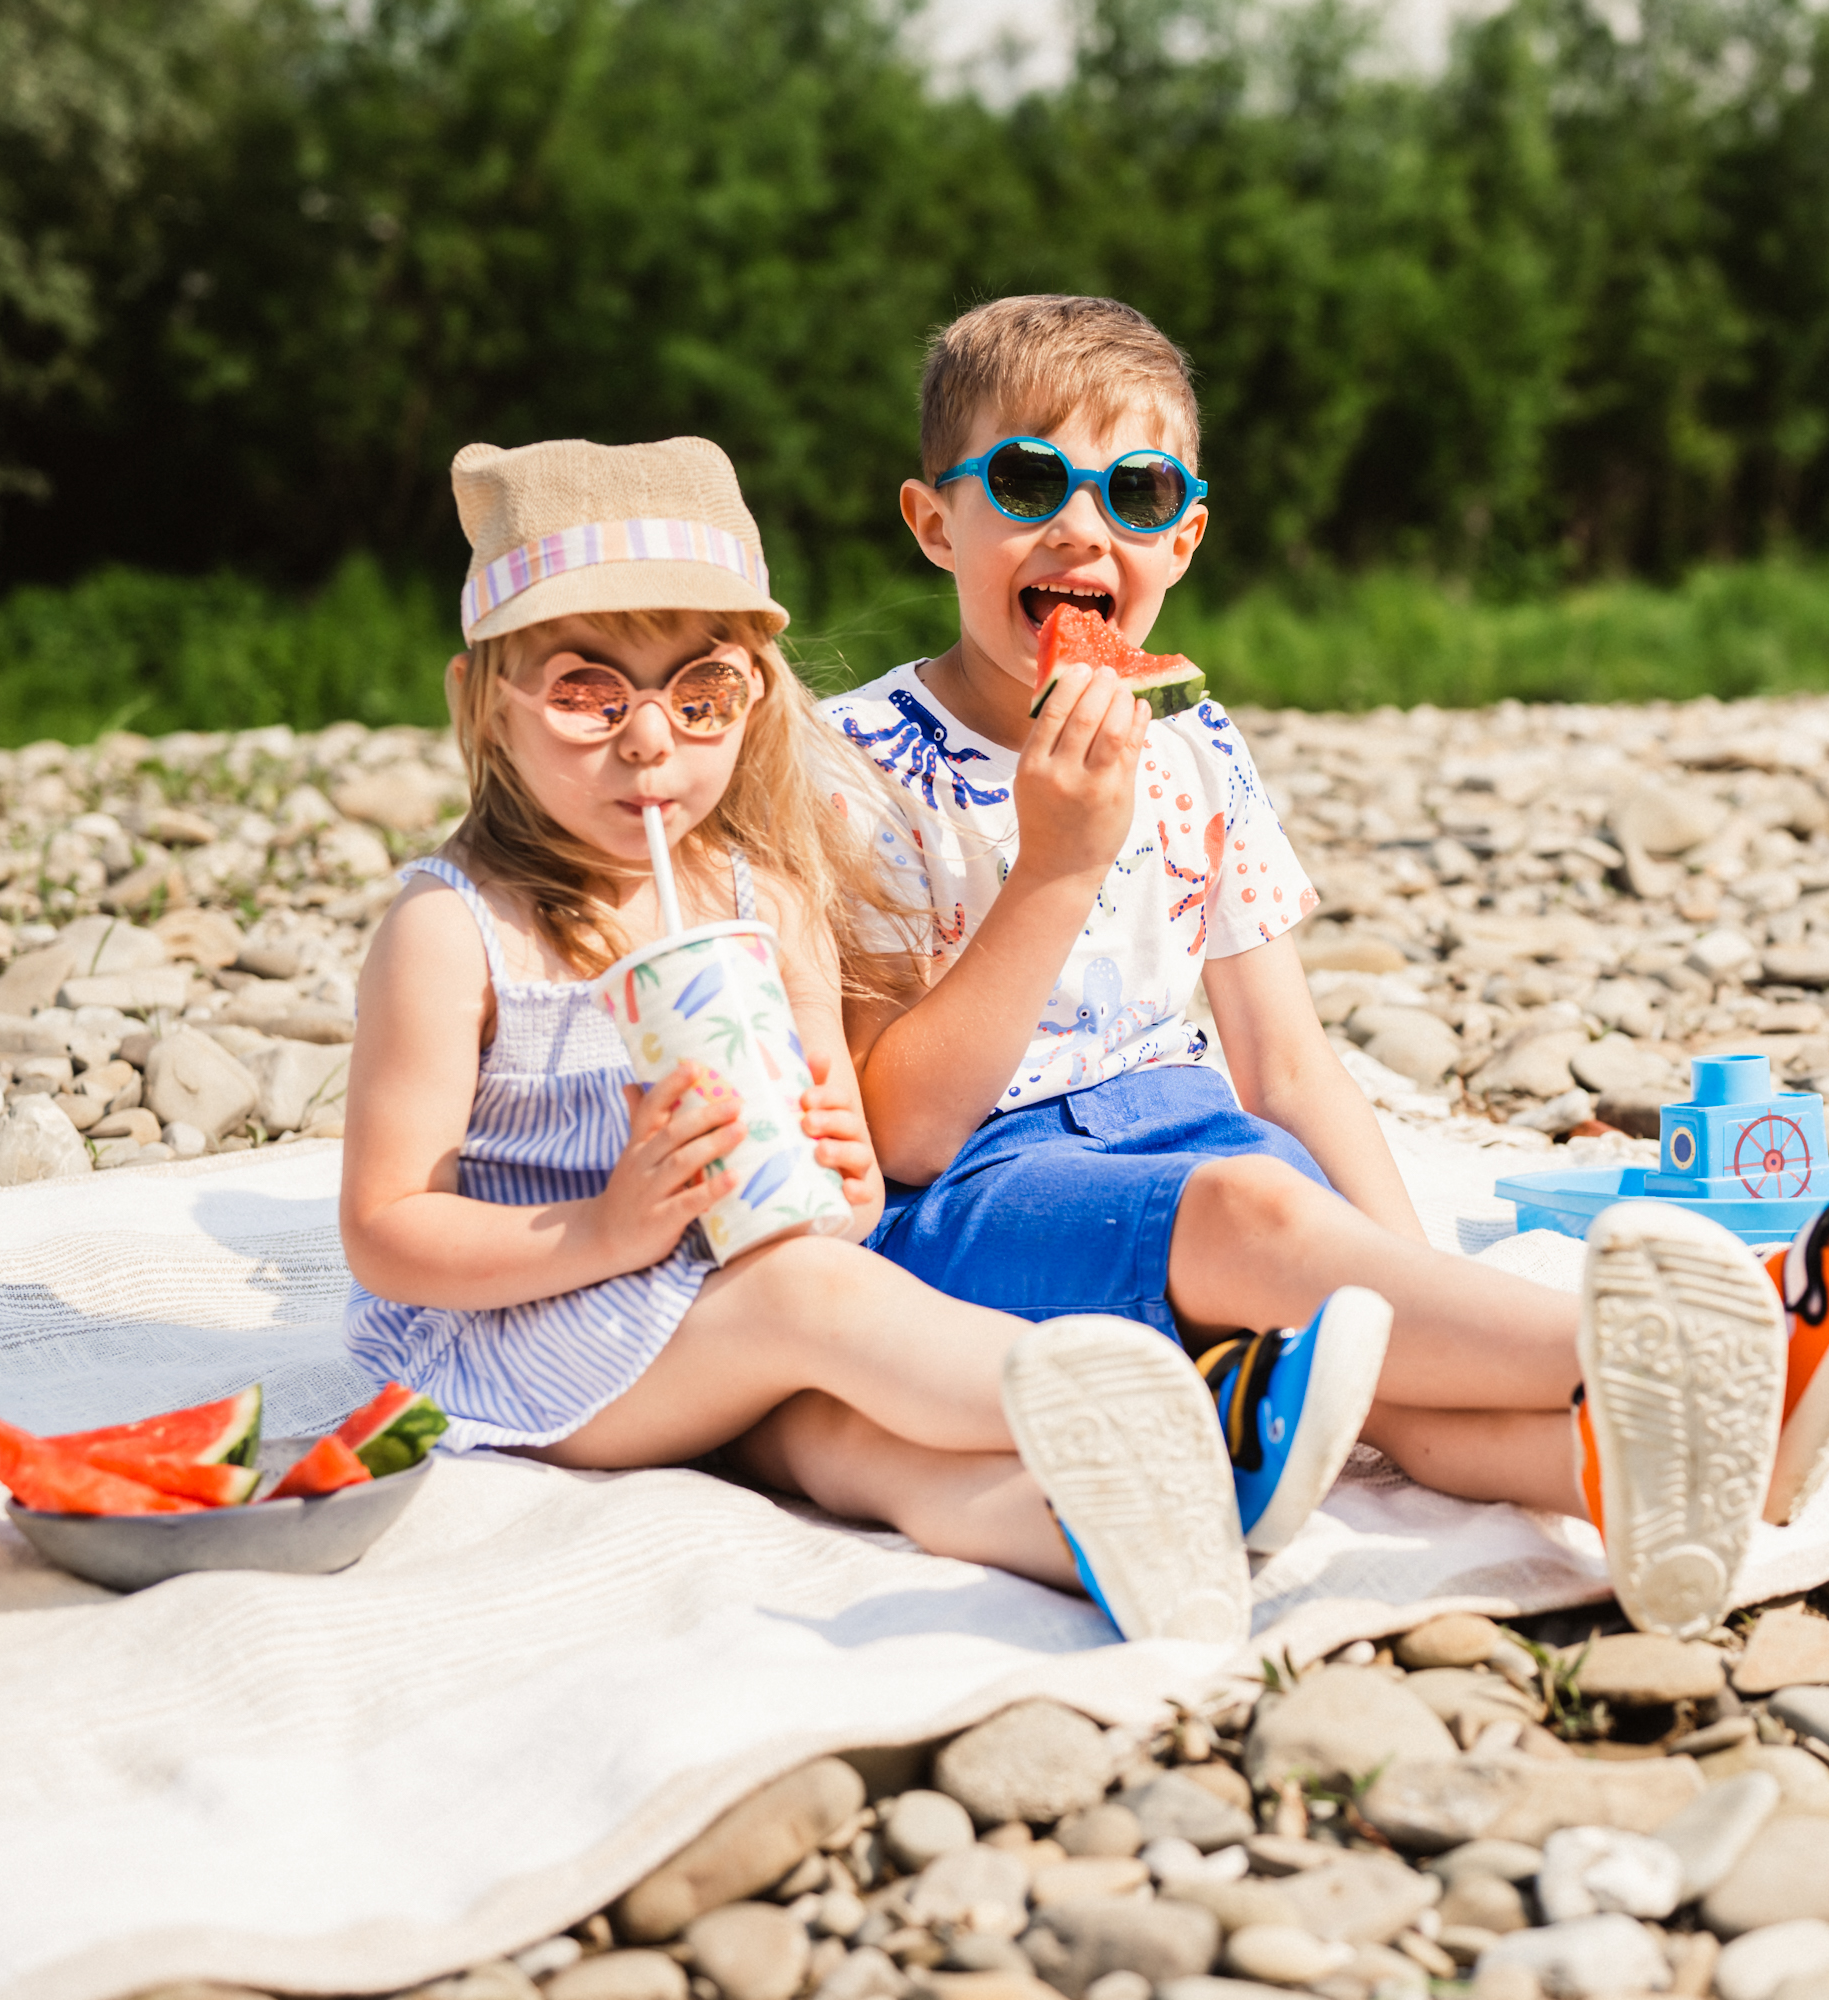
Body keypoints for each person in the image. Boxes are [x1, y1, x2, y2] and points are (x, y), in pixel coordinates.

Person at [829, 295, 1829, 1635]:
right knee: (1256, 1212)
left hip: (1190, 1136)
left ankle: (1659, 1470)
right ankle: (1739, 1347)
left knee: (1403, 1391)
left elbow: (1285, 1061)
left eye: (1135, 493)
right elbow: (902, 1131)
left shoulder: (1199, 751)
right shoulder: (852, 766)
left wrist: (1404, 1277)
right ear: (933, 522)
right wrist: (1059, 867)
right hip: (985, 1197)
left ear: (1184, 539)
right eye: (1030, 482)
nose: (1084, 528)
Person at [336, 433, 1263, 1644]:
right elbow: (387, 1231)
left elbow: (849, 1190)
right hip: (519, 1339)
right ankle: (1170, 1402)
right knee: (813, 1301)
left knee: (852, 1438)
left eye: (700, 690)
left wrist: (841, 1161)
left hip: (709, 1308)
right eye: (583, 689)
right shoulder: (454, 929)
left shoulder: (765, 901)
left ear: (754, 696)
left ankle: (1128, 1537)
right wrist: (608, 1226)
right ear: (479, 703)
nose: (648, 739)